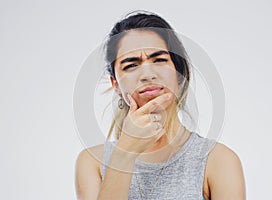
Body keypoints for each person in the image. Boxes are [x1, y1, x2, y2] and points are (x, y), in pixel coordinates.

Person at [75, 11, 246, 200]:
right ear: (115, 84)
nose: (147, 74)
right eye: (131, 65)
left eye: (159, 60)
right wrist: (125, 152)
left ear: (178, 74)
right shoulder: (93, 162)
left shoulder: (218, 161)